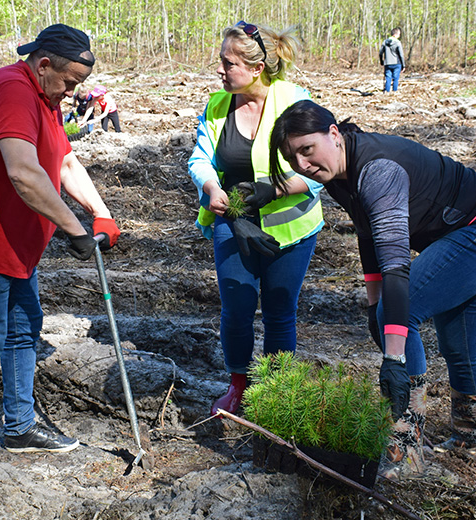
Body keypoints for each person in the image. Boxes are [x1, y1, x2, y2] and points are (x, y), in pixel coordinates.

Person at [269, 99, 476, 479]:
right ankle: (469, 444)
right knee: (457, 346)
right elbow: (368, 234)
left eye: (307, 150)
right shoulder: (339, 171)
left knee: (400, 316)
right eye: (292, 158)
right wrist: (375, 305)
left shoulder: (377, 171)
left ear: (334, 134)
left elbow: (395, 264)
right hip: (460, 234)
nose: (302, 165)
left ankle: (406, 448)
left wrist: (393, 357)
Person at [0, 24, 121, 458]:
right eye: (70, 83)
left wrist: (100, 213)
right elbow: (24, 172)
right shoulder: (13, 92)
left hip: (14, 244)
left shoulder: (44, 96)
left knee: (22, 331)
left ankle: (20, 428)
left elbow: (64, 160)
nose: (71, 94)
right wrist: (74, 229)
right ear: (44, 64)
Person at [188, 22, 324, 416]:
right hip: (234, 223)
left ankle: (279, 390)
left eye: (228, 63)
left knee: (281, 310)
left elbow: (319, 168)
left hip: (290, 229)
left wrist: (275, 190)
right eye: (221, 61)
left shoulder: (295, 104)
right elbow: (201, 158)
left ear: (257, 66)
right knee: (236, 307)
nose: (220, 70)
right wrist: (212, 189)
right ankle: (239, 385)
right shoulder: (218, 106)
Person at [379, 27, 405, 93]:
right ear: (396, 34)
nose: (399, 36)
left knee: (388, 78)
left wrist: (381, 61)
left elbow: (380, 53)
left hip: (387, 63)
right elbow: (401, 55)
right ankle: (394, 92)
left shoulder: (385, 42)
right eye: (399, 34)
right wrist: (403, 65)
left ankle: (387, 92)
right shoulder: (398, 43)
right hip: (397, 63)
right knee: (395, 78)